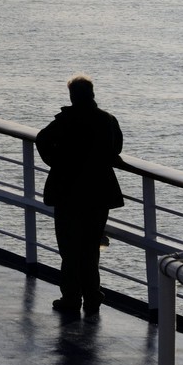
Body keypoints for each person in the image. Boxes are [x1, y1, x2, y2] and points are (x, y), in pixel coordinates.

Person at [35, 74, 124, 317]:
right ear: (92, 94)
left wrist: (56, 162)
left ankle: (72, 297)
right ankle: (93, 295)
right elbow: (116, 148)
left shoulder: (66, 120)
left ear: (73, 96)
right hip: (97, 191)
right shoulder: (107, 120)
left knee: (70, 247)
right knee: (90, 246)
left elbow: (42, 140)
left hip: (67, 191)